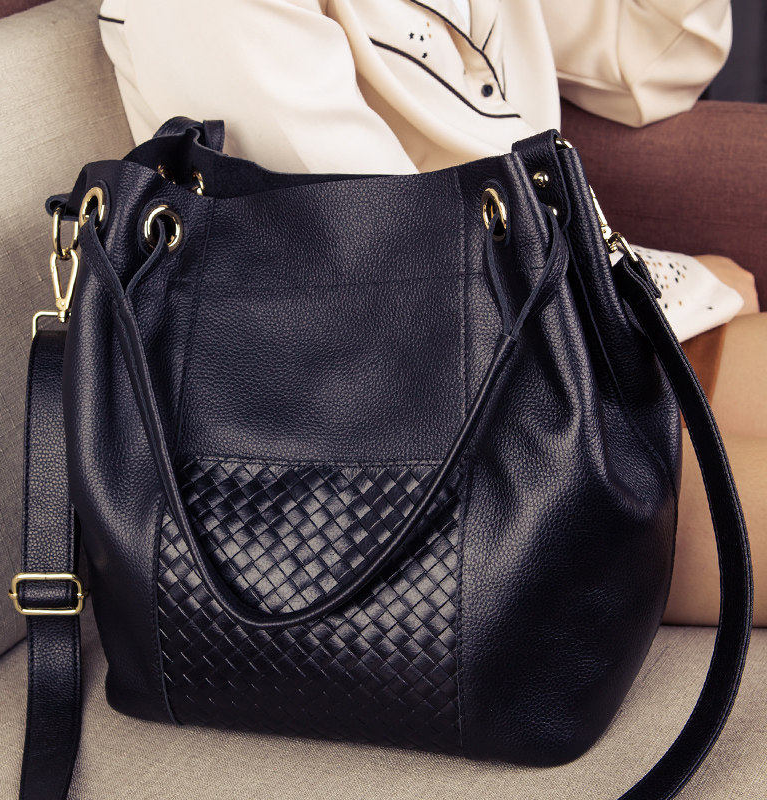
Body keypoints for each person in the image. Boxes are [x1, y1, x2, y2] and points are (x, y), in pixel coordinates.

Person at [98, 0, 765, 625]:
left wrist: (637, 291)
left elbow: (658, 63)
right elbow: (388, 277)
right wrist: (623, 294)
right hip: (439, 450)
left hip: (558, 331)